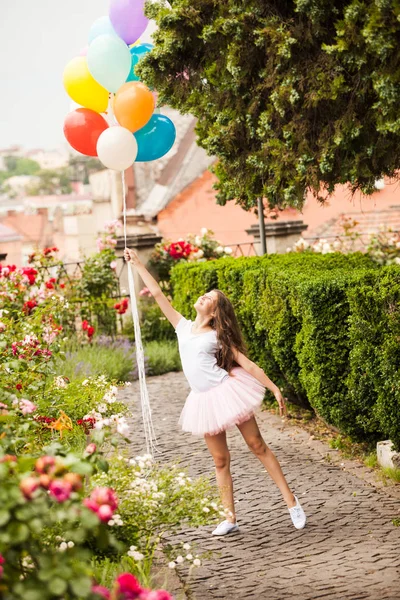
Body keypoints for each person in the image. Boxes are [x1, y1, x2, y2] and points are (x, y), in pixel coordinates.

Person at [124, 248, 306, 535]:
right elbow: (158, 293)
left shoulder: (218, 337)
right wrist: (137, 265)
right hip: (203, 401)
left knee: (257, 445)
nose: (204, 297)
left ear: (214, 312)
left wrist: (274, 388)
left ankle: (291, 501)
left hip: (227, 391)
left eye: (210, 298)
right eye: (206, 294)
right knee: (220, 460)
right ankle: (229, 518)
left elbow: (247, 363)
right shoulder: (182, 327)